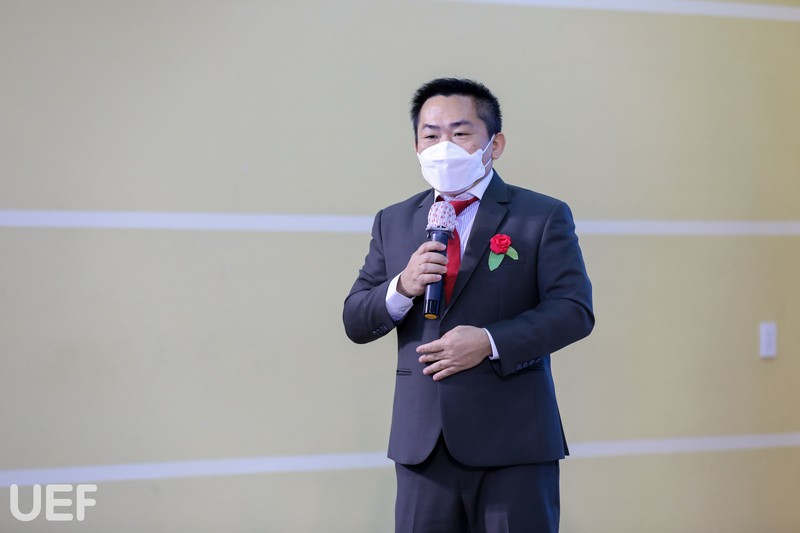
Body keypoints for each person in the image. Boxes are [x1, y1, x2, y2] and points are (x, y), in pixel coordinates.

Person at [343, 78, 594, 533]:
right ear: (416, 146)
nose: (444, 147)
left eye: (460, 133)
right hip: (422, 445)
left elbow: (573, 310)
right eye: (430, 135)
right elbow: (356, 319)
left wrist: (490, 341)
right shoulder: (393, 221)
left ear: (494, 144)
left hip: (514, 441)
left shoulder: (539, 215)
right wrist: (403, 285)